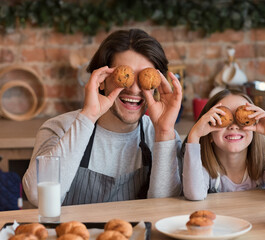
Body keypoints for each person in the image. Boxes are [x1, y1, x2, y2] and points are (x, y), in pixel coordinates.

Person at [23, 29, 183, 206]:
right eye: (125, 76)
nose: (135, 89)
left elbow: (166, 210)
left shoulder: (163, 135)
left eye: (143, 79)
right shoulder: (58, 128)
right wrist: (88, 116)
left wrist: (164, 131)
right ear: (102, 80)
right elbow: (39, 198)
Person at [182, 88, 265, 200]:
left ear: (254, 129)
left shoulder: (263, 164)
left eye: (241, 119)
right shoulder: (204, 167)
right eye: (221, 118)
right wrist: (195, 136)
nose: (234, 126)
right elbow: (194, 195)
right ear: (209, 133)